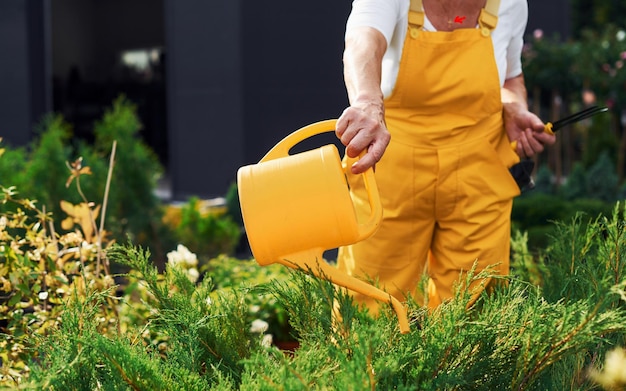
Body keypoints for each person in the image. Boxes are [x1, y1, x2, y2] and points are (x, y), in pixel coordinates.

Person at [334, 0, 556, 311]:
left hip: (480, 169)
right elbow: (363, 41)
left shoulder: (511, 3)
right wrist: (368, 101)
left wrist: (515, 107)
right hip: (392, 162)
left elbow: (510, 78)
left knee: (474, 308)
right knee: (371, 300)